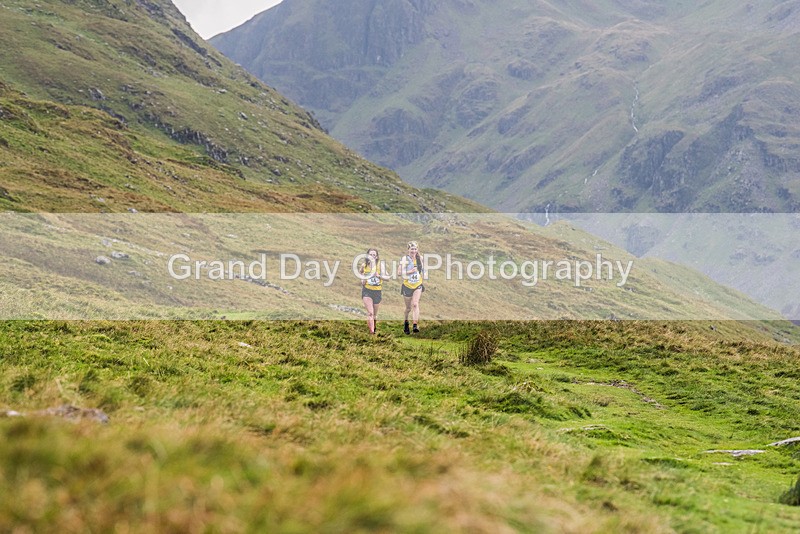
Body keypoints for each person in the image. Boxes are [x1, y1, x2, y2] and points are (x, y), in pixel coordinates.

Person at [398, 241, 425, 334]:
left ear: (417, 249)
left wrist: (423, 276)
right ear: (408, 250)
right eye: (412, 249)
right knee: (408, 308)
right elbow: (399, 273)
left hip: (417, 285)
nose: (414, 251)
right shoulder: (405, 259)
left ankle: (415, 325)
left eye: (415, 249)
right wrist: (410, 272)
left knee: (415, 304)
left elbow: (422, 270)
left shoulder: (420, 258)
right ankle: (406, 322)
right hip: (407, 286)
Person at [360, 248, 388, 335]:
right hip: (367, 291)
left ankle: (374, 329)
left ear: (376, 257)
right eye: (370, 255)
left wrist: (379, 276)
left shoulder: (380, 266)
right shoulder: (364, 265)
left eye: (374, 255)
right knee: (370, 313)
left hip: (377, 292)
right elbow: (360, 274)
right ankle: (372, 332)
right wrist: (363, 280)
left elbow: (387, 278)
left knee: (375, 315)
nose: (372, 256)